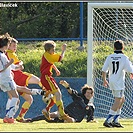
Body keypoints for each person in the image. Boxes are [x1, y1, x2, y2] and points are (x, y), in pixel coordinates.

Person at [5, 37, 44, 123]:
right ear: (8, 46)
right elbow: (17, 67)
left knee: (28, 99)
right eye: (13, 46)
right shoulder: (10, 54)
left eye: (16, 46)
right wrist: (21, 64)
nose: (15, 47)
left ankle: (17, 117)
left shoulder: (5, 54)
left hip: (11, 79)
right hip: (18, 76)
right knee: (38, 81)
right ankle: (46, 92)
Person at [26, 80, 96, 123]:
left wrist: (91, 120)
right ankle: (31, 120)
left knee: (70, 121)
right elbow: (72, 92)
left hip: (75, 118)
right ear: (84, 93)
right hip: (66, 112)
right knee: (52, 114)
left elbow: (90, 118)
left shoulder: (91, 106)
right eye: (87, 92)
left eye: (90, 93)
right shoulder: (79, 97)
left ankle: (60, 118)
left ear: (92, 95)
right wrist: (67, 87)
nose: (88, 94)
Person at [40, 40, 74, 123]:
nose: (54, 51)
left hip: (45, 77)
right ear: (48, 50)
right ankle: (62, 114)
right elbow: (60, 58)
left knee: (55, 97)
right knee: (58, 93)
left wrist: (56, 69)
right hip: (47, 77)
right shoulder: (49, 55)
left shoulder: (47, 55)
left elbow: (51, 63)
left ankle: (46, 109)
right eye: (53, 50)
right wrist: (63, 50)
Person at [102, 40, 133, 128]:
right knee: (118, 100)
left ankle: (116, 120)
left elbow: (104, 70)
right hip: (119, 82)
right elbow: (130, 69)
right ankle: (108, 120)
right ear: (123, 48)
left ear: (114, 47)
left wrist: (104, 80)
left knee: (122, 99)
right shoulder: (124, 57)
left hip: (112, 80)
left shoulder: (110, 57)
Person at [0, 33, 22, 123]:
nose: (9, 46)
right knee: (16, 97)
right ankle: (9, 117)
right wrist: (10, 63)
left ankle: (8, 116)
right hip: (6, 79)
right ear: (5, 45)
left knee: (12, 98)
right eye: (8, 44)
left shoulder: (3, 55)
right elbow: (1, 69)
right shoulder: (1, 55)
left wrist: (19, 66)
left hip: (4, 79)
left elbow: (11, 66)